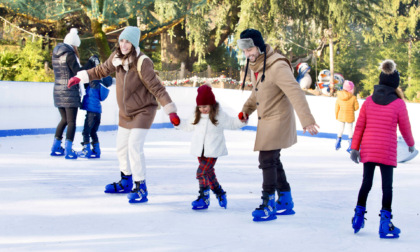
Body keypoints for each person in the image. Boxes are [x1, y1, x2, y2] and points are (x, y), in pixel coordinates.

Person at [68, 26, 180, 204]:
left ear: (134, 43)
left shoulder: (143, 62)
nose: (124, 45)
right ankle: (126, 181)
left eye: (127, 41)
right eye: (121, 41)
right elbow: (100, 71)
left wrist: (171, 111)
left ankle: (140, 186)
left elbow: (157, 88)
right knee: (121, 147)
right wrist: (80, 77)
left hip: (144, 111)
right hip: (125, 113)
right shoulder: (116, 58)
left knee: (134, 146)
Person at [236, 29, 319, 222]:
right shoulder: (256, 66)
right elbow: (257, 93)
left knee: (267, 160)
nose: (248, 54)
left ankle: (268, 204)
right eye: (245, 51)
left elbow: (295, 92)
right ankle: (285, 200)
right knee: (273, 160)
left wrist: (307, 120)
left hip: (279, 120)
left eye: (250, 49)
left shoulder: (277, 65)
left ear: (259, 45)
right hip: (267, 119)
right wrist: (246, 110)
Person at [349, 59, 415, 238]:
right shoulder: (399, 104)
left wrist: (355, 148)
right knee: (387, 187)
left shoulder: (369, 101)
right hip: (386, 150)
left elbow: (360, 126)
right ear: (395, 84)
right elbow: (405, 128)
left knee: (366, 183)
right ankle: (385, 223)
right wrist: (410, 144)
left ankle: (358, 217)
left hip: (369, 149)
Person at [174, 83, 247, 210]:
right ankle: (220, 193)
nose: (203, 109)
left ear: (212, 104)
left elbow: (232, 124)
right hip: (200, 150)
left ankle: (204, 198)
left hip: (213, 150)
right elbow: (187, 126)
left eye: (205, 106)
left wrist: (241, 120)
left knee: (201, 172)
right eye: (200, 106)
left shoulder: (219, 115)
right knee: (209, 174)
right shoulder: (196, 115)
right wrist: (178, 122)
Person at [50, 28, 97, 159]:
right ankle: (69, 149)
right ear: (74, 45)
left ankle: (55, 146)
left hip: (58, 91)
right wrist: (90, 63)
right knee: (71, 122)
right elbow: (78, 72)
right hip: (69, 91)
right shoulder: (70, 54)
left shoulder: (56, 53)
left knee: (64, 120)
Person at [76, 55, 113, 158]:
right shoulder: (100, 84)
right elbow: (108, 80)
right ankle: (97, 150)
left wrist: (93, 65)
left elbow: (83, 74)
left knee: (86, 132)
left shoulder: (92, 82)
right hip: (98, 112)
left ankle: (87, 150)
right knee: (93, 132)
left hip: (91, 112)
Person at [335, 80, 359, 152]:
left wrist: (337, 115)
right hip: (350, 116)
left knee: (341, 129)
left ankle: (338, 142)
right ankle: (350, 145)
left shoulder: (339, 97)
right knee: (350, 130)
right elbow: (356, 107)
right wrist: (352, 109)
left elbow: (337, 107)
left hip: (341, 116)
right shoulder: (353, 98)